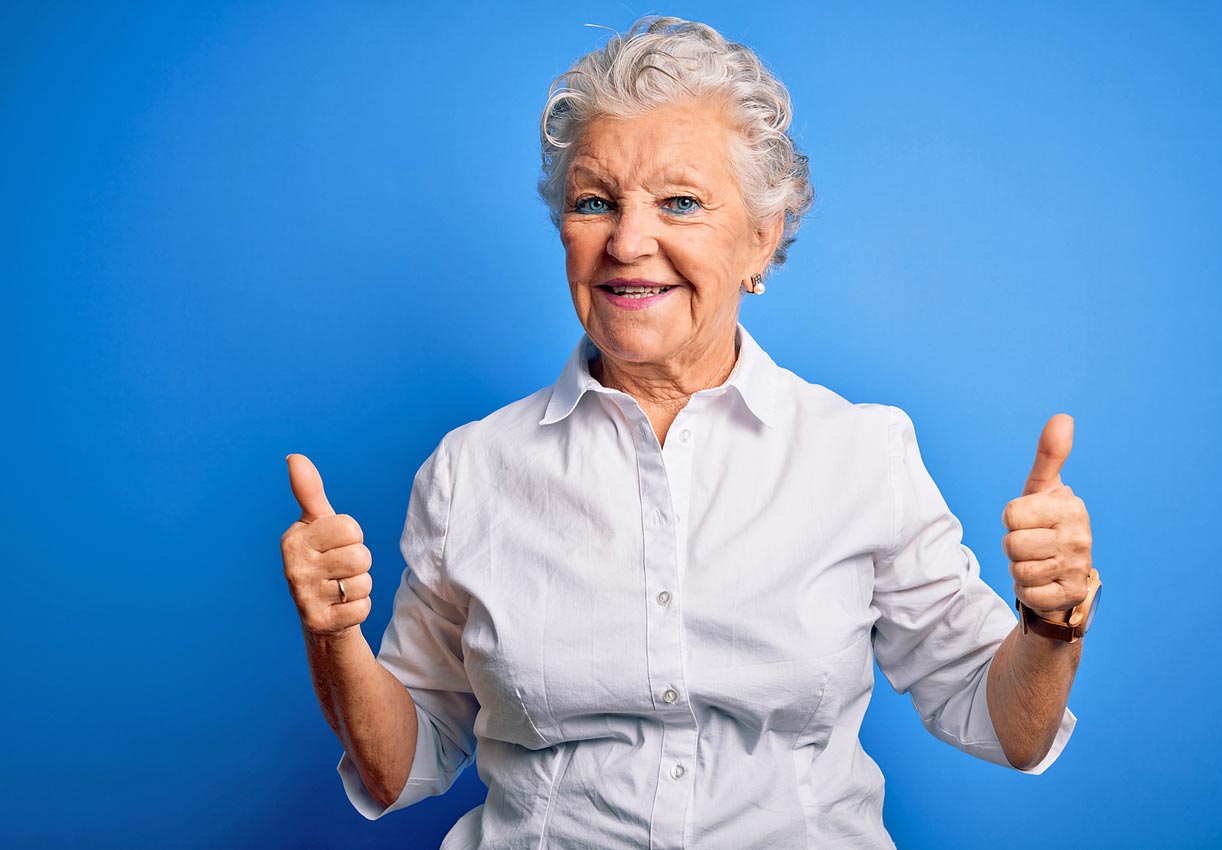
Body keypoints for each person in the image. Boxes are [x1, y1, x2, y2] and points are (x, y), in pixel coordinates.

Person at [279, 16, 1099, 849]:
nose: (629, 243)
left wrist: (1050, 622)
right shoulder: (471, 470)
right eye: (594, 202)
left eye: (679, 202)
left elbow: (1007, 728)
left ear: (762, 234)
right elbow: (398, 765)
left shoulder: (862, 455)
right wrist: (332, 637)